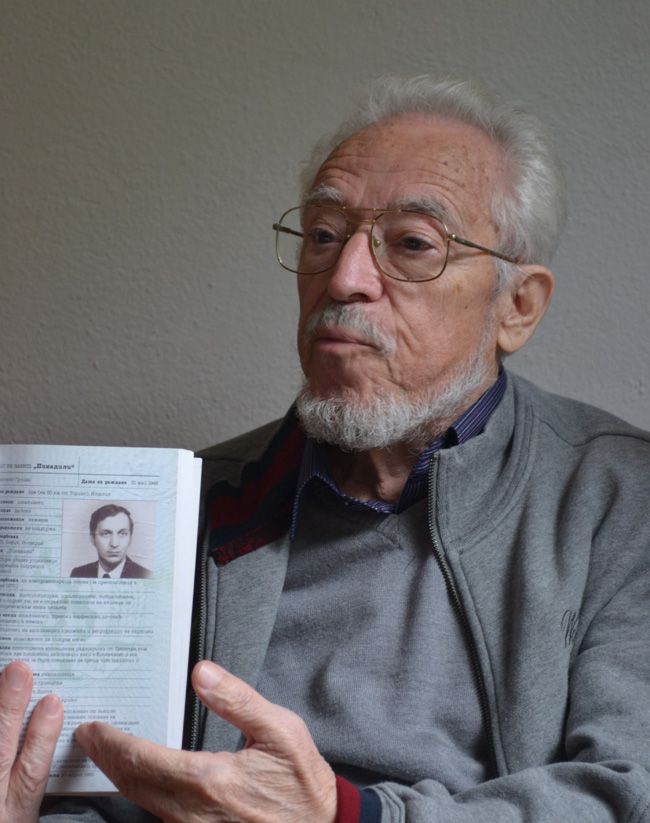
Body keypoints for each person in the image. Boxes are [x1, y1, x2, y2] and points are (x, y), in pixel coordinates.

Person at [1, 75, 648, 822]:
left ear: (518, 306)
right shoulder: (189, 501)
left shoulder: (619, 498)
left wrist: (345, 816)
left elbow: (626, 791)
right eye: (323, 235)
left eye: (413, 244)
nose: (344, 278)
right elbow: (103, 783)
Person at [69, 503, 152, 579]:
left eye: (122, 534)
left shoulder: (146, 576)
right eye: (105, 534)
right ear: (92, 539)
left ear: (130, 539)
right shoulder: (78, 574)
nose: (114, 544)